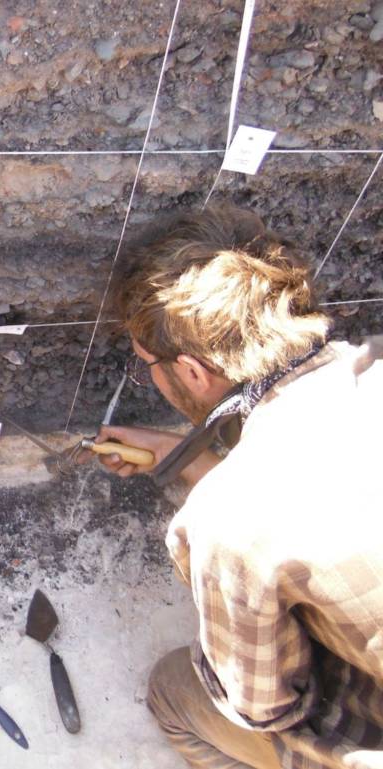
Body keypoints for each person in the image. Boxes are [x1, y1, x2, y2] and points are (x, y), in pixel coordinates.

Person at [82, 205, 383, 768]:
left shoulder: (226, 522)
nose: (147, 372)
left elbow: (264, 707)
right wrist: (188, 457)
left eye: (146, 363)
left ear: (193, 372)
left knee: (175, 691)